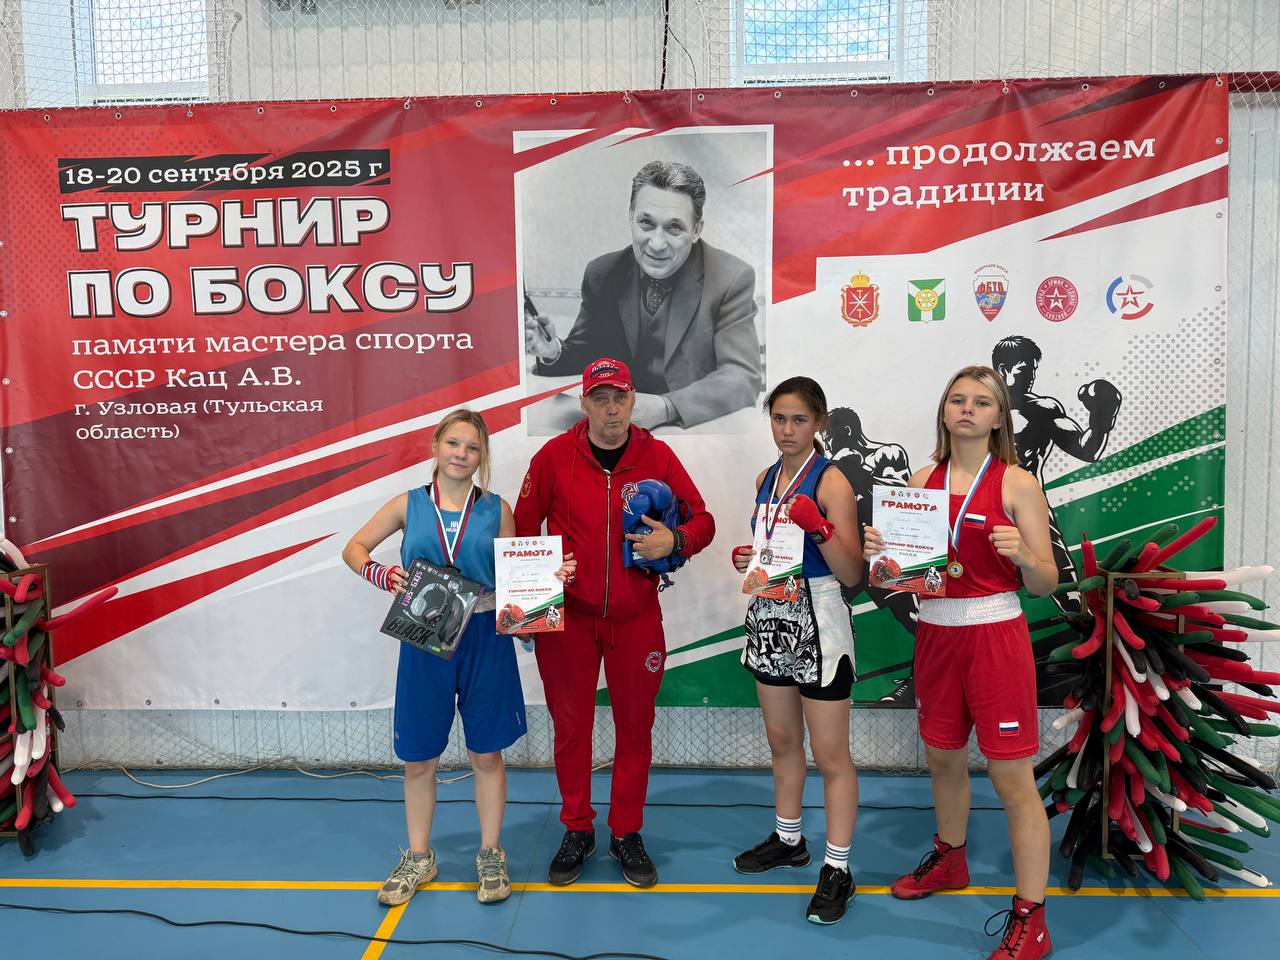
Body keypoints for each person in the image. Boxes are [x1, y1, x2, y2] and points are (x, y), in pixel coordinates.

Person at [342, 409, 575, 908]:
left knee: (486, 753)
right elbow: (354, 548)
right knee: (419, 758)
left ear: (481, 456)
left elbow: (518, 575)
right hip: (423, 636)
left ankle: (491, 851)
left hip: (484, 637)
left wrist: (548, 580)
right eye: (453, 443)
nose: (461, 454)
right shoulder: (407, 504)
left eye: (472, 447)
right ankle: (419, 856)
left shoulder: (496, 509)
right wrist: (383, 575)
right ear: (436, 446)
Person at [862, 366, 1057, 960]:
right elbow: (903, 575)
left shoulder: (1017, 483)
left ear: (999, 417)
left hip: (994, 633)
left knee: (1011, 778)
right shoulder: (921, 480)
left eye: (981, 402)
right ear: (944, 412)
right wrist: (881, 554)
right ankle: (950, 858)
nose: (967, 409)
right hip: (936, 633)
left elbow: (1046, 583)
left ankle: (1032, 919)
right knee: (942, 757)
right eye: (957, 399)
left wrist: (1026, 556)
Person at [514, 357, 715, 888]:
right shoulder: (553, 457)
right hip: (570, 620)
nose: (610, 408)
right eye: (599, 398)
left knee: (635, 728)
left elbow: (703, 520)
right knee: (571, 729)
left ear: (632, 400)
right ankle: (577, 827)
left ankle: (626, 831)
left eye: (619, 397)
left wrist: (675, 540)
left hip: (636, 618)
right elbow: (522, 529)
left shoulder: (657, 454)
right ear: (584, 402)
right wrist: (533, 596)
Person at [729, 377, 864, 925]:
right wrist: (751, 558)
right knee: (782, 740)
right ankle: (789, 840)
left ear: (819, 423)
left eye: (799, 420)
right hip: (771, 612)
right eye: (779, 419)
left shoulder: (832, 480)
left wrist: (821, 528)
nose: (787, 430)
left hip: (820, 616)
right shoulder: (766, 478)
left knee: (830, 754)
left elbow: (852, 573)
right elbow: (777, 551)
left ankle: (838, 868)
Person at [524, 159, 763, 428]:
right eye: (646, 223)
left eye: (674, 227)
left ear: (696, 230)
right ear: (631, 217)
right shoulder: (602, 273)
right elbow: (586, 352)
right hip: (620, 428)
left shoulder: (731, 277)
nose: (657, 244)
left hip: (697, 429)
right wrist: (552, 350)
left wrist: (667, 407)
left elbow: (743, 376)